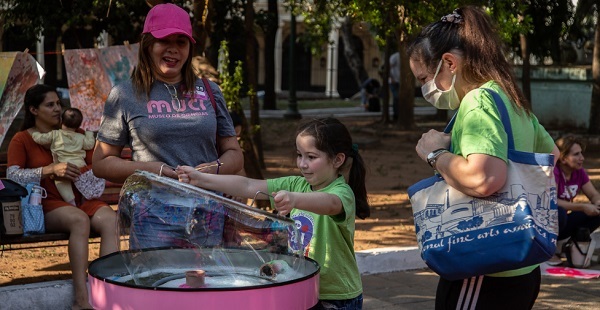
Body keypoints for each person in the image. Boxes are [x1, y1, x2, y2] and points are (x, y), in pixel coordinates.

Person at [407, 6, 560, 310]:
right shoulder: (509, 98)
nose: (426, 88)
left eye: (425, 78)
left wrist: (434, 153)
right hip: (522, 264)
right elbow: (552, 155)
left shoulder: (477, 101)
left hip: (483, 265)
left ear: (449, 63)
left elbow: (484, 178)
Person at [176, 117, 369, 309]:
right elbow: (248, 184)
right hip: (304, 286)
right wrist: (200, 179)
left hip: (337, 296)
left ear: (337, 159)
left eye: (311, 157)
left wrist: (294, 199)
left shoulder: (342, 193)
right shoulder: (296, 184)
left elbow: (330, 204)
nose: (302, 164)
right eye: (299, 155)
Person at [92, 3, 243, 248]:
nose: (173, 50)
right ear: (148, 44)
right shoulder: (124, 94)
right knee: (157, 283)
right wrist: (153, 169)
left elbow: (235, 154)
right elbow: (101, 163)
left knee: (207, 285)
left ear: (190, 47)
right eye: (164, 41)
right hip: (153, 217)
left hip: (208, 216)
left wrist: (212, 169)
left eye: (181, 42)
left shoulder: (210, 91)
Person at [7, 84, 118, 310]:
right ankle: (80, 298)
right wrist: (50, 170)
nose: (57, 108)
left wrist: (80, 171)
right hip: (45, 205)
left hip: (83, 199)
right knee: (79, 220)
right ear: (33, 110)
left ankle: (107, 295)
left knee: (111, 220)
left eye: (58, 103)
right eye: (50, 105)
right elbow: (12, 175)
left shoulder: (77, 134)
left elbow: (95, 166)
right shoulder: (22, 139)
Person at [32, 107, 96, 205]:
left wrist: (34, 133)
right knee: (84, 182)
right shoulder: (81, 137)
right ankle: (85, 197)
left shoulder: (55, 134)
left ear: (61, 120)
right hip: (79, 166)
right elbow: (89, 144)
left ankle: (71, 202)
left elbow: (41, 139)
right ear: (79, 125)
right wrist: (89, 134)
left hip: (63, 167)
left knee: (61, 183)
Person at [553, 136, 600, 248]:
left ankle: (571, 244)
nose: (582, 158)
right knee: (559, 213)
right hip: (551, 221)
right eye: (576, 154)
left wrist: (598, 202)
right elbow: (552, 201)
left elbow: (593, 194)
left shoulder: (579, 172)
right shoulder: (554, 171)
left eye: (581, 153)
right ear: (563, 158)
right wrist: (582, 207)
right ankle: (550, 248)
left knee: (598, 211)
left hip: (565, 221)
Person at [389, 52, 401, 120]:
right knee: (396, 97)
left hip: (399, 81)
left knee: (399, 98)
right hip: (394, 81)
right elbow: (389, 67)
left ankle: (399, 114)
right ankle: (395, 115)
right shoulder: (395, 56)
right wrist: (391, 78)